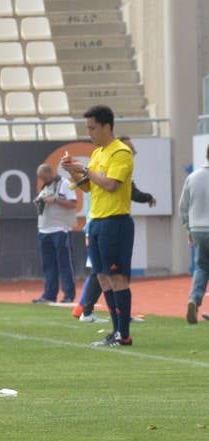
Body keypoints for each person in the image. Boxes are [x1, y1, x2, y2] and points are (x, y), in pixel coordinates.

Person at [61, 106, 136, 347]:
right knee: (103, 278)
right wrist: (74, 172)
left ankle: (123, 334)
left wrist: (86, 170)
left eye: (92, 127)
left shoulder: (120, 153)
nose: (89, 132)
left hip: (116, 222)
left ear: (106, 126)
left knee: (117, 278)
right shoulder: (97, 154)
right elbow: (87, 187)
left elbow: (111, 185)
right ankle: (115, 332)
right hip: (97, 221)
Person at [71, 136, 155, 322]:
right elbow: (105, 187)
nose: (133, 152)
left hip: (98, 223)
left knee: (105, 273)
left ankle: (112, 318)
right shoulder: (105, 163)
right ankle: (88, 310)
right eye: (130, 148)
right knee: (105, 273)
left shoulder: (106, 165)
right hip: (101, 223)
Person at [32, 163, 78, 304]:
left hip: (60, 229)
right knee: (48, 265)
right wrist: (39, 202)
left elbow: (73, 203)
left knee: (64, 264)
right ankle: (49, 295)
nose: (43, 180)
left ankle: (68, 295)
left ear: (50, 173)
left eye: (44, 177)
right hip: (44, 230)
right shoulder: (45, 187)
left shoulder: (64, 183)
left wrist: (56, 200)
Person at [178, 143, 209, 323]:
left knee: (201, 267)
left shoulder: (193, 177)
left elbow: (184, 206)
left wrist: (187, 228)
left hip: (198, 228)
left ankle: (194, 300)